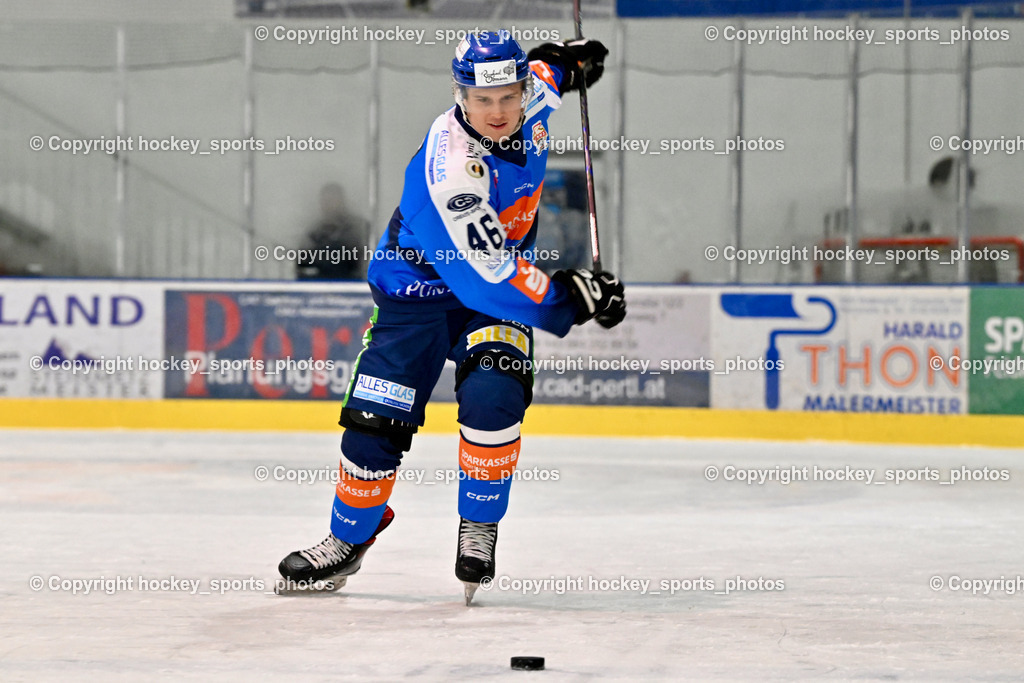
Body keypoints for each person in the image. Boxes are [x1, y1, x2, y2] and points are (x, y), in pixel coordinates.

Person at [278, 30, 625, 603]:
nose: (497, 112)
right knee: (373, 426)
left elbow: (546, 74)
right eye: (482, 100)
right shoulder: (452, 172)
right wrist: (571, 298)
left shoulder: (528, 95)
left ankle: (480, 524)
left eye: (508, 97)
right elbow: (485, 276)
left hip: (489, 295)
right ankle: (348, 539)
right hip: (420, 296)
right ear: (460, 96)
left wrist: (568, 63)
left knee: (495, 395)